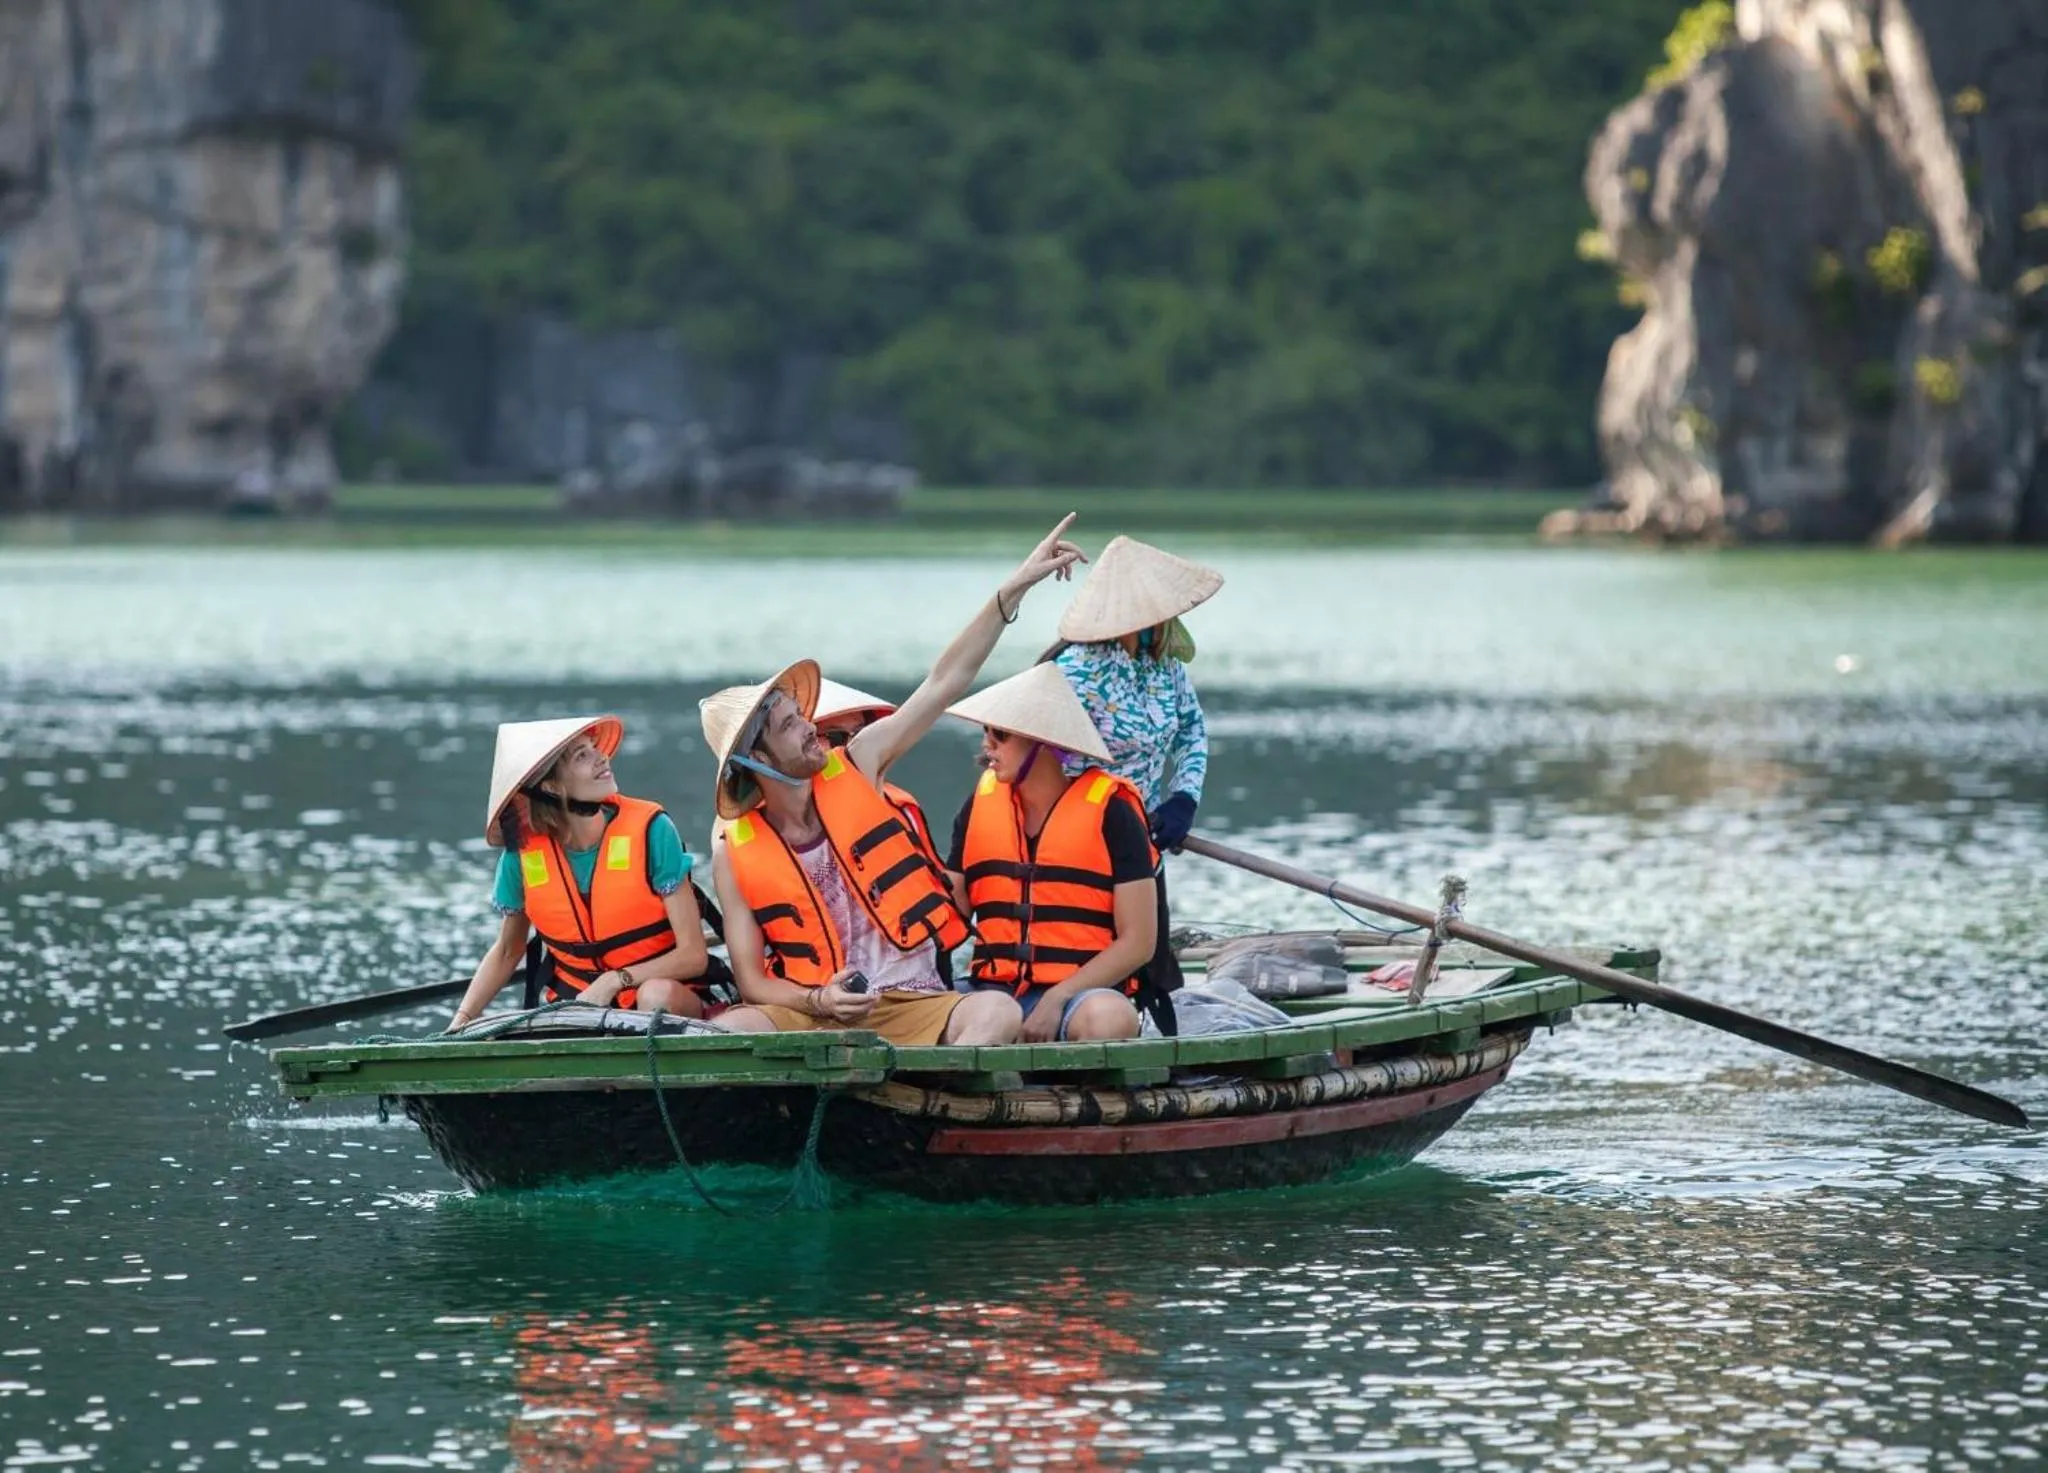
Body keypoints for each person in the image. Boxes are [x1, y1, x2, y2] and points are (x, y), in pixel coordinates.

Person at [704, 517, 1086, 1046]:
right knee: (727, 1028)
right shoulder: (732, 849)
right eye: (792, 726)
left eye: (803, 716)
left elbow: (944, 681)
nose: (813, 729)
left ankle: (939, 1103)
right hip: (815, 1011)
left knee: (996, 1013)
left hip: (911, 1001)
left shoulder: (860, 763)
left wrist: (1013, 589)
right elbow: (752, 980)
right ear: (758, 760)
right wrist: (817, 1000)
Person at [448, 716, 717, 1030]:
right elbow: (508, 950)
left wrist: (615, 981)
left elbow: (694, 955)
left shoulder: (652, 830)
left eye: (594, 748)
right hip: (577, 1011)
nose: (602, 757)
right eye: (582, 756)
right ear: (550, 786)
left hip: (664, 1001)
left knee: (654, 994)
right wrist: (462, 1020)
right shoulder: (521, 856)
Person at [943, 663, 1163, 1043]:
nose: (987, 744)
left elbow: (1139, 941)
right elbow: (948, 915)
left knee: (1111, 1018)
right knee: (942, 1011)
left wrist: (1058, 997)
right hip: (991, 995)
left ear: (1042, 742)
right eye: (986, 732)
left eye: (1001, 734)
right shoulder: (979, 806)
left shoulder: (1113, 812)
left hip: (1079, 997)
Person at [1046, 535, 1222, 852]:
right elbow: (1044, 760)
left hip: (1144, 842)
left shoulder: (1164, 666)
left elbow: (1191, 727)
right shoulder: (1076, 671)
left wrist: (1184, 797)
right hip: (1083, 845)